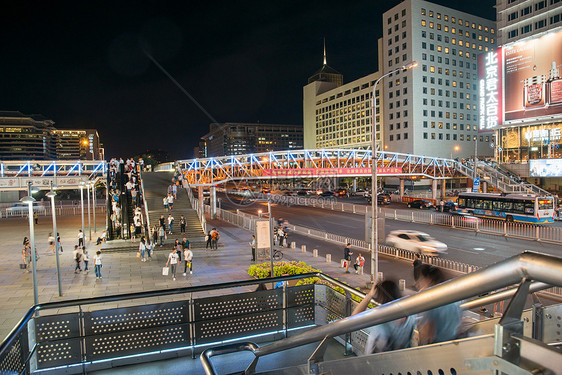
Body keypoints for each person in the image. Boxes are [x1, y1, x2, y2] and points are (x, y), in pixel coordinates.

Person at [352, 280, 416, 354]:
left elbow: (354, 317)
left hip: (377, 362)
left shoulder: (379, 317)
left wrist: (370, 294)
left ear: (381, 297)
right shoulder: (410, 316)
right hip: (401, 360)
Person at [416, 265, 462, 345]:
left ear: (429, 280)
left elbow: (426, 334)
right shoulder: (454, 298)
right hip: (453, 343)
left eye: (421, 279)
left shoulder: (432, 303)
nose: (418, 283)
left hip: (438, 346)